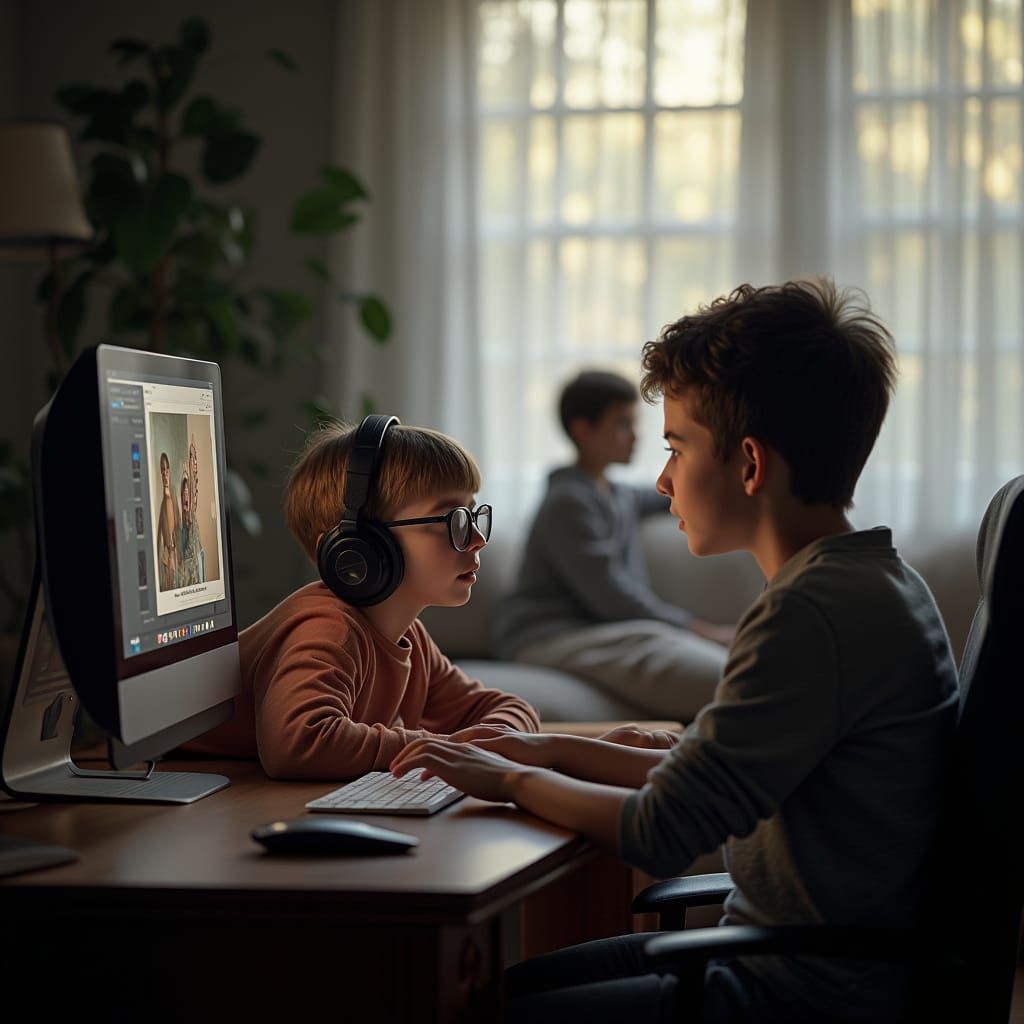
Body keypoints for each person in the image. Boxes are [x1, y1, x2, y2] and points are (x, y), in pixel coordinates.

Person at [391, 278, 959, 1023]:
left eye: (677, 446)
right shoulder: (873, 581)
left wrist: (505, 781)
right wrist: (545, 753)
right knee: (489, 991)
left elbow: (660, 830)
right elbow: (704, 777)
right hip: (789, 956)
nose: (660, 480)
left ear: (750, 466)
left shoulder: (809, 613)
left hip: (797, 991)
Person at [186, 418, 540, 779]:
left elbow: (505, 707)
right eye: (453, 518)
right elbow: (298, 743)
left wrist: (489, 743)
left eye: (474, 514)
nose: (478, 537)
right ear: (358, 549)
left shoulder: (410, 637)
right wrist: (442, 747)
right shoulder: (328, 628)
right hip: (172, 788)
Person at [491, 368, 734, 724]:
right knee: (654, 643)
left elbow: (660, 495)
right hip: (545, 634)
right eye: (622, 424)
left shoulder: (616, 494)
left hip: (595, 629)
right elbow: (610, 596)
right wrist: (700, 630)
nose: (635, 436)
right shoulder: (568, 502)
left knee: (655, 638)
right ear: (582, 431)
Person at [156, 451, 179, 591]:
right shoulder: (163, 501)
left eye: (166, 469)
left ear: (169, 470)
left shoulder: (174, 495)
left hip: (174, 554)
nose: (164, 473)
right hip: (167, 556)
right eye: (162, 470)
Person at [178, 473, 205, 586]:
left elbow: (198, 546)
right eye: (184, 491)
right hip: (186, 569)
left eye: (187, 490)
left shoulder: (193, 518)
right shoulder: (181, 518)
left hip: (196, 566)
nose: (186, 493)